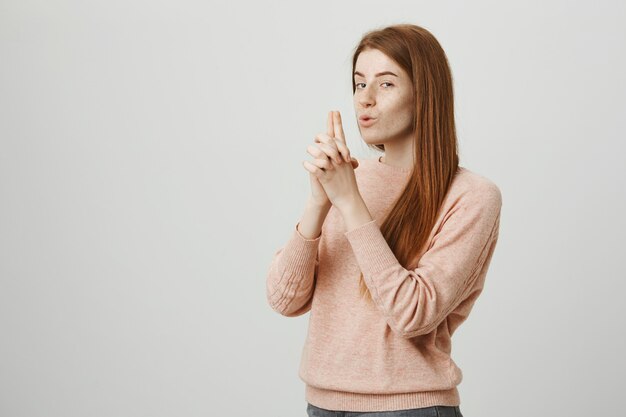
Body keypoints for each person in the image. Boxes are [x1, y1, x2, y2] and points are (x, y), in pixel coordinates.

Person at [266, 23, 501, 417]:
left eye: (386, 84)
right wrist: (317, 203)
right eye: (359, 84)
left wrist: (350, 202)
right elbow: (284, 300)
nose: (366, 100)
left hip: (411, 409)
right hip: (322, 405)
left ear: (425, 95)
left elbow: (413, 314)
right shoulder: (349, 179)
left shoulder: (472, 196)